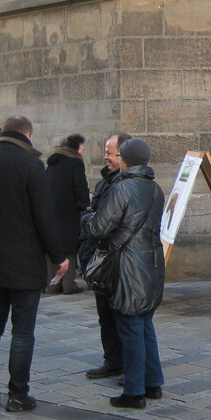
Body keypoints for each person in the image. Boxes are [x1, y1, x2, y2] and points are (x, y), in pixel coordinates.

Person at [0, 116, 68, 412]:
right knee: (22, 331)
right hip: (25, 260)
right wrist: (58, 256)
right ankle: (18, 395)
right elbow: (44, 216)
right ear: (28, 134)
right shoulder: (32, 165)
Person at [83, 137, 166, 408]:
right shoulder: (155, 188)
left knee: (130, 326)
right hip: (151, 264)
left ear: (126, 159)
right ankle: (153, 383)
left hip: (127, 265)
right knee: (144, 325)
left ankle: (134, 391)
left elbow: (99, 229)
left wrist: (86, 218)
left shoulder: (122, 188)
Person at [82, 132, 132, 379]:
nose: (106, 157)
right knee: (106, 315)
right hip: (101, 258)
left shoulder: (128, 185)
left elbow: (106, 224)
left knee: (124, 317)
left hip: (120, 260)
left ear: (125, 155)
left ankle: (130, 366)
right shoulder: (106, 181)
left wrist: (89, 220)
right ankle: (113, 360)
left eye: (110, 152)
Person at [44, 133, 90, 295]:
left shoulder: (53, 162)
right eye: (82, 147)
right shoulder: (75, 163)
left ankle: (53, 284)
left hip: (51, 210)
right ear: (76, 147)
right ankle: (68, 284)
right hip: (69, 211)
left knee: (53, 246)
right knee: (70, 248)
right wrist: (85, 205)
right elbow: (80, 186)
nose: (83, 150)